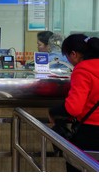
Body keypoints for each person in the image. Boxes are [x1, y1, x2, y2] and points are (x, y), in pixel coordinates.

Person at [49, 34, 99, 171]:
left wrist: (53, 112)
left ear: (74, 54)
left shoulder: (83, 69)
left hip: (91, 133)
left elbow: (74, 108)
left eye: (67, 56)